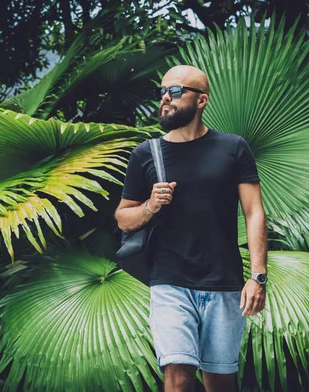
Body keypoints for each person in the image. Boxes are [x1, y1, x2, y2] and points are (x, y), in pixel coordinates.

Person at [115, 65, 267, 392]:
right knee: (179, 378)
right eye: (162, 92)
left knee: (221, 383)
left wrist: (258, 276)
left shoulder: (233, 148)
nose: (165, 99)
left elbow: (254, 212)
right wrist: (150, 206)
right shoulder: (146, 153)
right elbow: (123, 218)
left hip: (224, 281)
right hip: (169, 281)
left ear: (201, 101)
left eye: (176, 91)